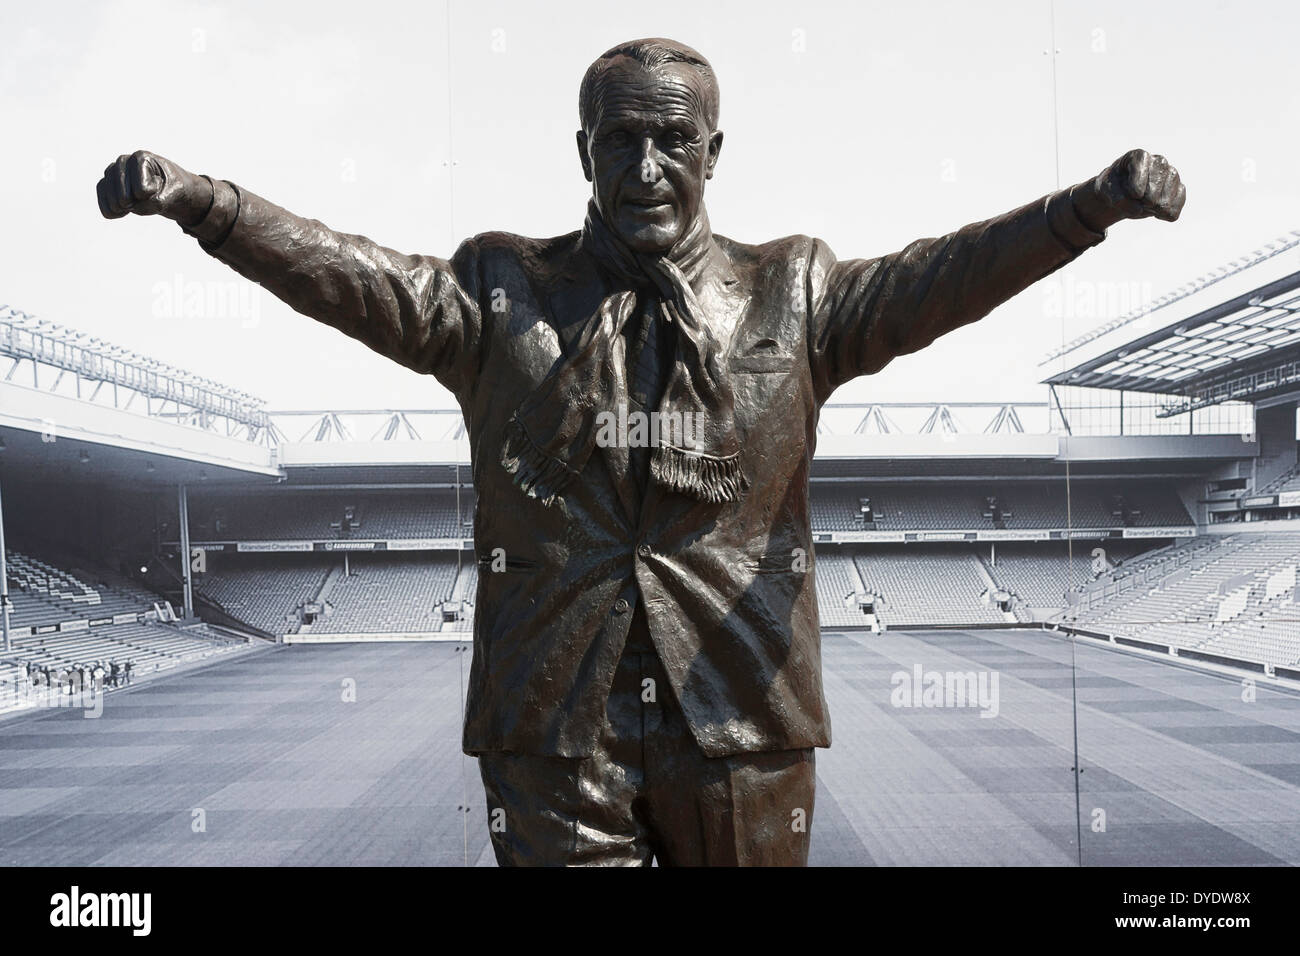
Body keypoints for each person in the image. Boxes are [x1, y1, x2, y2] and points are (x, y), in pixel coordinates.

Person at [95, 38, 1185, 865]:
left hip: (741, 715)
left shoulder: (794, 291)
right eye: (621, 138)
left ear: (715, 151)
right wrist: (210, 206)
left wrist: (1082, 210)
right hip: (551, 724)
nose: (649, 166)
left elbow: (941, 277)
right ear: (583, 150)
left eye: (674, 140)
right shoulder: (497, 289)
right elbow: (353, 276)